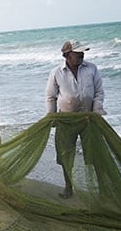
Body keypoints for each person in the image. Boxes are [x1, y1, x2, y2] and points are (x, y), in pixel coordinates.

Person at [45, 39, 106, 199]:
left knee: (95, 155)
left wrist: (96, 111)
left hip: (89, 119)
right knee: (66, 155)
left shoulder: (91, 69)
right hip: (65, 120)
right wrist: (51, 116)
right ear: (67, 55)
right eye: (77, 52)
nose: (81, 55)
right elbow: (50, 96)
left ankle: (102, 189)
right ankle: (68, 188)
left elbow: (99, 92)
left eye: (82, 52)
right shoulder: (56, 73)